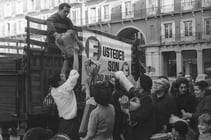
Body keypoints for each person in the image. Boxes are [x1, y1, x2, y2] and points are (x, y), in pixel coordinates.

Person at [48, 50, 80, 140]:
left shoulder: (54, 90)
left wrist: (66, 59)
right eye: (61, 77)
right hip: (70, 124)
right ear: (59, 82)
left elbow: (62, 72)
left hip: (63, 122)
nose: (63, 75)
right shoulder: (66, 88)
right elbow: (75, 69)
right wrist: (75, 53)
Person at [115, 71, 155, 140]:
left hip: (141, 134)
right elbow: (130, 88)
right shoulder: (141, 95)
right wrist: (121, 77)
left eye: (138, 81)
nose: (136, 82)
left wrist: (126, 111)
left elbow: (140, 115)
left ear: (142, 85)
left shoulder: (148, 99)